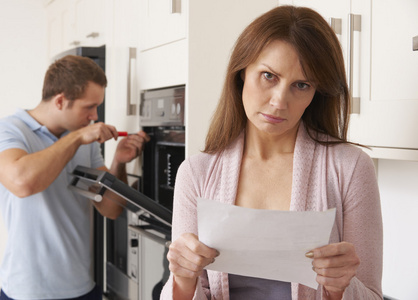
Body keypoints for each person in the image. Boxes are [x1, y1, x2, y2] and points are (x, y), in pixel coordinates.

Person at [160, 5, 383, 300]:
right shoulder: (197, 173)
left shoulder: (351, 168)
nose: (279, 102)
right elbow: (188, 291)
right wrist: (182, 279)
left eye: (301, 85)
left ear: (316, 93)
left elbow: (371, 295)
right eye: (268, 76)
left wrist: (340, 288)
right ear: (241, 73)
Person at [0, 55, 150, 300]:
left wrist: (118, 162)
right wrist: (77, 138)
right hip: (27, 292)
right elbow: (23, 183)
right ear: (60, 101)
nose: (94, 116)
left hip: (82, 287)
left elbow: (111, 208)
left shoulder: (84, 140)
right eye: (89, 107)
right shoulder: (6, 131)